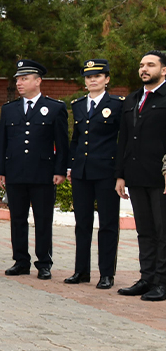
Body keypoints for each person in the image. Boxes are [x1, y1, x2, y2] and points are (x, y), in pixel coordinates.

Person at [0, 59, 69, 280]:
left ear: (38, 81)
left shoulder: (55, 108)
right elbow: (2, 142)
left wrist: (59, 170)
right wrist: (0, 170)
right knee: (17, 219)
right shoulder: (9, 109)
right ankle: (20, 261)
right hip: (16, 172)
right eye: (18, 79)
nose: (19, 83)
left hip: (43, 173)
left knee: (43, 219)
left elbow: (62, 143)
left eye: (24, 78)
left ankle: (44, 263)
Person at [66, 59, 122, 288]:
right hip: (82, 172)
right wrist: (71, 165)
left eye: (97, 76)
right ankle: (81, 271)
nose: (92, 80)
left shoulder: (117, 104)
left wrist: (120, 172)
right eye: (88, 77)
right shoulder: (78, 104)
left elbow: (122, 140)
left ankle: (106, 273)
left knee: (108, 223)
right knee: (82, 223)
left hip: (106, 171)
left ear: (107, 79)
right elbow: (77, 138)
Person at [116, 51, 166, 302]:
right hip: (136, 176)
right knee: (144, 231)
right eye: (141, 65)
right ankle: (147, 278)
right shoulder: (134, 98)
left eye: (150, 65)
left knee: (163, 230)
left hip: (161, 178)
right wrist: (121, 175)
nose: (144, 69)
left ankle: (162, 281)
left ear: (164, 70)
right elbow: (123, 139)